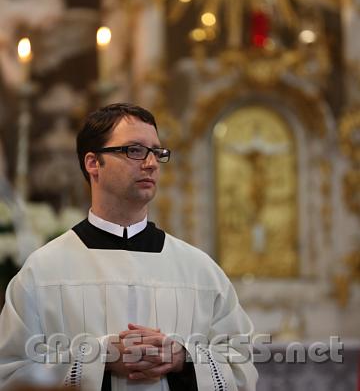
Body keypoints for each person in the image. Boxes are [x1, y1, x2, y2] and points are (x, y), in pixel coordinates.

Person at [0, 103, 258, 391]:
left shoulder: (199, 270)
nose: (151, 163)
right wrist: (100, 359)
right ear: (93, 163)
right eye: (134, 150)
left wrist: (183, 358)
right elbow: (10, 373)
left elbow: (243, 367)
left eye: (157, 152)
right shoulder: (44, 270)